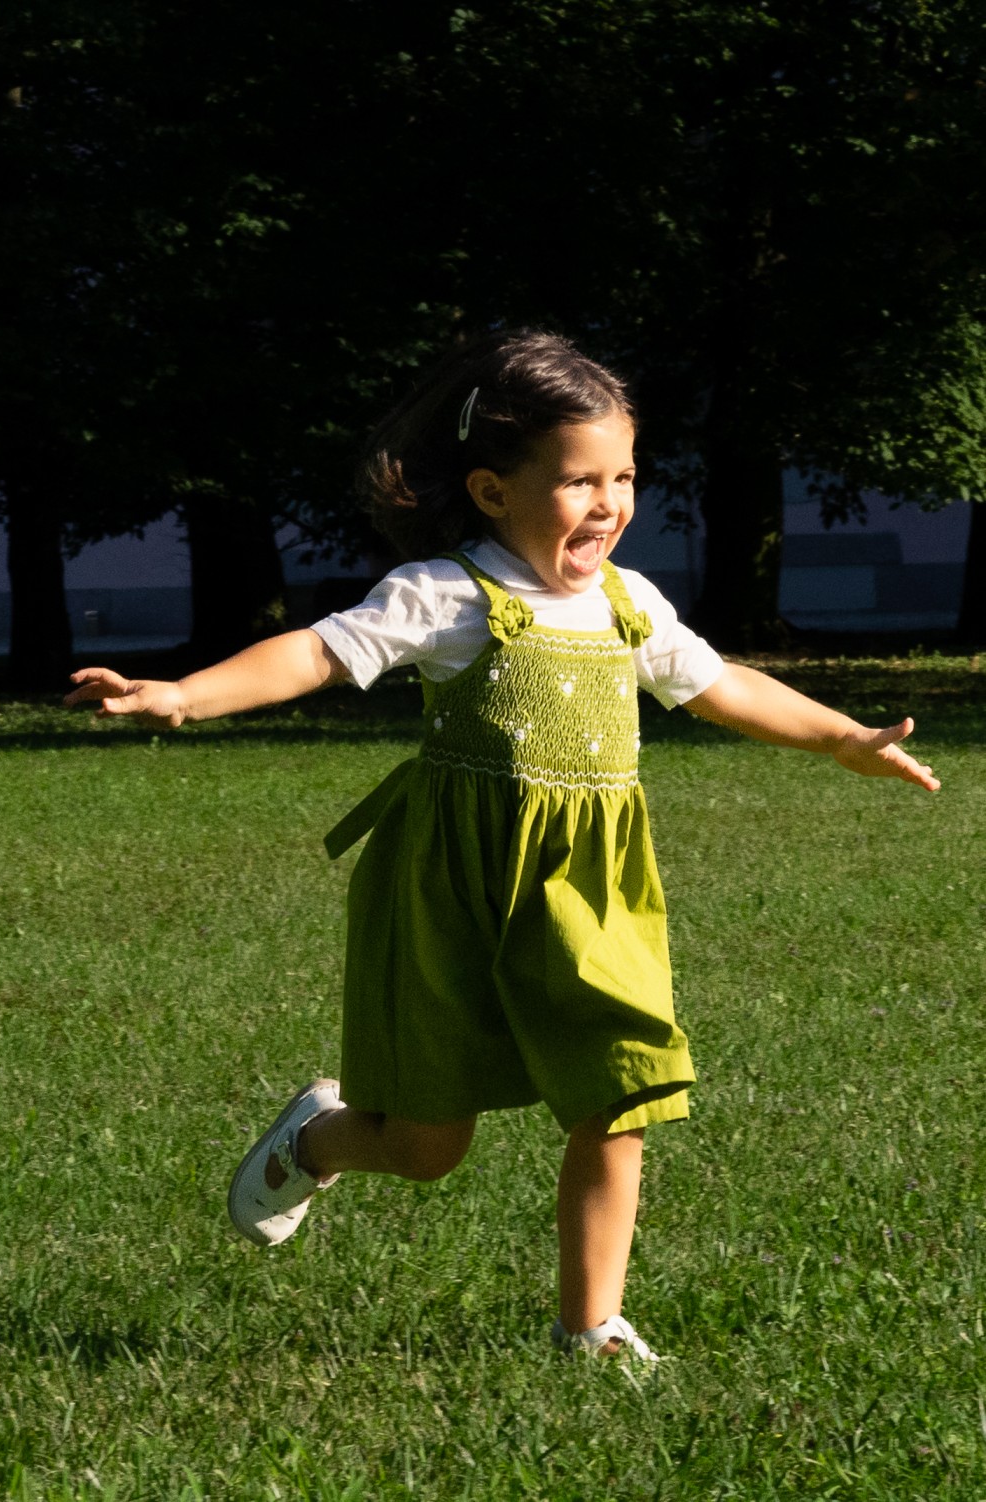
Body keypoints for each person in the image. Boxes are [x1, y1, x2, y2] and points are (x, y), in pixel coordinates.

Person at [65, 329, 939, 1364]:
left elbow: (721, 684)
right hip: (452, 891)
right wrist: (183, 693)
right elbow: (316, 651)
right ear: (491, 490)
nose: (609, 501)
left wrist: (841, 736)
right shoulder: (446, 595)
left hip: (591, 889)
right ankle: (320, 1135)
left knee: (625, 1090)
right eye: (577, 479)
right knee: (429, 1146)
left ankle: (590, 1324)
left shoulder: (628, 603)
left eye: (622, 475)